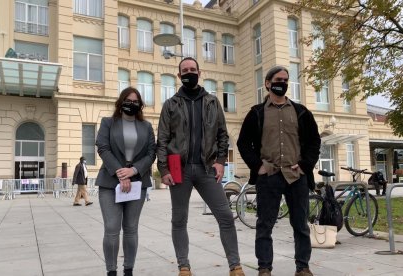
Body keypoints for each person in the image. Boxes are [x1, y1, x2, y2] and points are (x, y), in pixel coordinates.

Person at [157, 57, 245, 276]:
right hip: (180, 170)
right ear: (179, 76)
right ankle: (184, 267)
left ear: (199, 72)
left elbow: (222, 135)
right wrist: (164, 170)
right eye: (185, 70)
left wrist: (220, 162)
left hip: (207, 169)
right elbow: (163, 139)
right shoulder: (170, 104)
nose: (189, 72)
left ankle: (235, 266)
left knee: (225, 216)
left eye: (192, 69)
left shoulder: (213, 102)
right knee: (179, 219)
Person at [237, 66, 321, 276]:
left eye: (285, 80)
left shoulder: (301, 112)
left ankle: (303, 267)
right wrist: (258, 166)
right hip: (269, 177)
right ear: (267, 83)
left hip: (296, 177)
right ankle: (264, 268)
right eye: (277, 79)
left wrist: (304, 166)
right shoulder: (256, 113)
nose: (282, 83)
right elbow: (243, 143)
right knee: (264, 225)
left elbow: (314, 142)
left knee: (300, 224)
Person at [96, 87, 156, 276]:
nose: (131, 104)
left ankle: (128, 270)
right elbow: (103, 148)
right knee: (112, 229)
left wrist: (134, 170)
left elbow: (151, 152)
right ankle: (111, 271)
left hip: (138, 182)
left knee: (131, 229)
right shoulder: (108, 123)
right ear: (121, 102)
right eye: (128, 100)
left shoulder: (146, 126)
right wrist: (121, 173)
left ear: (140, 105)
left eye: (135, 101)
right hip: (109, 182)